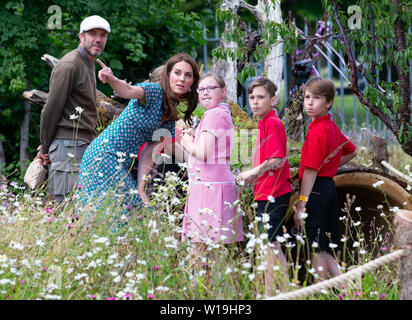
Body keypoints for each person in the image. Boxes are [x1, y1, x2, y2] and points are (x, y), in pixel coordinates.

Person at [76, 53, 199, 214]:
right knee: (129, 213)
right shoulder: (154, 91)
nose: (182, 79)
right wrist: (112, 79)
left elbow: (149, 152)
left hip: (120, 162)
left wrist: (141, 189)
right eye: (177, 73)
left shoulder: (169, 116)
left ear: (192, 83)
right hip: (104, 155)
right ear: (168, 75)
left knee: (123, 211)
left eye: (188, 75)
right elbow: (128, 90)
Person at [36, 15, 110, 203]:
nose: (98, 39)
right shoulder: (70, 64)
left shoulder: (88, 62)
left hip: (80, 145)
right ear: (81, 36)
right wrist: (45, 147)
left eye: (103, 35)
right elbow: (51, 110)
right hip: (67, 145)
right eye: (92, 34)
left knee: (79, 210)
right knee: (65, 209)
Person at [294, 77, 357, 280]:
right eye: (307, 97)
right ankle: (346, 291)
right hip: (329, 187)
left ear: (328, 102)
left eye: (317, 98)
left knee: (316, 247)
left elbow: (311, 172)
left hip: (316, 191)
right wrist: (329, 166)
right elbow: (351, 151)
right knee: (326, 245)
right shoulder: (330, 126)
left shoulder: (317, 132)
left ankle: (324, 290)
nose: (310, 103)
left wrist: (301, 205)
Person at [180, 72, 244, 265]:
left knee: (198, 248)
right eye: (201, 89)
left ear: (224, 91)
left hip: (210, 188)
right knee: (214, 251)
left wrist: (186, 141)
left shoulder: (214, 114)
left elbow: (203, 152)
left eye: (211, 88)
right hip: (214, 184)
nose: (205, 92)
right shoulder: (221, 112)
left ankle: (191, 289)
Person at [237, 77, 292, 296]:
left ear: (273, 99)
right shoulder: (263, 121)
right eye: (252, 97)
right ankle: (281, 291)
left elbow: (277, 159)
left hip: (274, 193)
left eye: (261, 97)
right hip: (265, 190)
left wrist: (253, 171)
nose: (255, 102)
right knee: (270, 245)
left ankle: (274, 293)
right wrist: (254, 176)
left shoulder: (272, 123)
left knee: (270, 246)